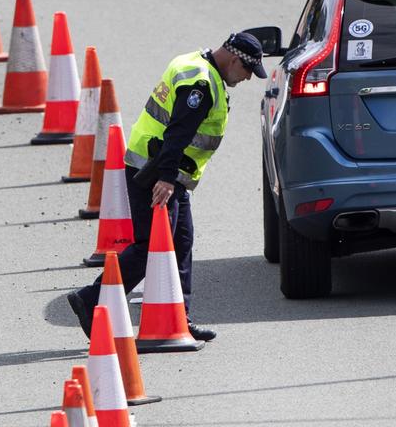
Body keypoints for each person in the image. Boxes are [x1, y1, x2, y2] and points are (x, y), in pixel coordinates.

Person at [67, 32, 267, 340]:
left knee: (182, 241)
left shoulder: (194, 62)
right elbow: (178, 131)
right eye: (248, 72)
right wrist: (165, 177)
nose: (248, 79)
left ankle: (178, 318)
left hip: (168, 171)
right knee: (152, 247)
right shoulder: (200, 83)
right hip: (158, 172)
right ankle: (90, 299)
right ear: (235, 59)